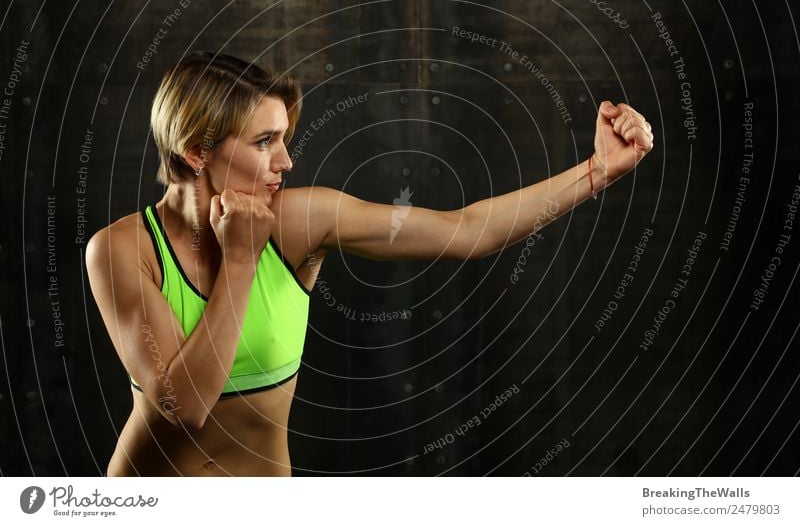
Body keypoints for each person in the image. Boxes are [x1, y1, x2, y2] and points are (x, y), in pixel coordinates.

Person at [86, 51, 653, 476]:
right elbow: (181, 409)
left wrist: (598, 170)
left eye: (285, 137)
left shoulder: (300, 223)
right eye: (264, 142)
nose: (286, 159)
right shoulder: (121, 250)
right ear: (197, 151)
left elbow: (465, 231)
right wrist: (239, 260)